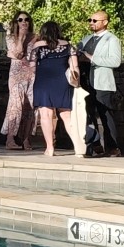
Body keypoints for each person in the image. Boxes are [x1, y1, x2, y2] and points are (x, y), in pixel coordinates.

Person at [29, 20, 79, 157]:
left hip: (43, 82)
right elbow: (75, 67)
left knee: (46, 115)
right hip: (62, 82)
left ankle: (50, 148)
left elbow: (32, 66)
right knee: (67, 115)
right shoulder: (68, 46)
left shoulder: (37, 46)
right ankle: (78, 146)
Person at [81, 9, 123, 157]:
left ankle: (112, 147)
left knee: (105, 115)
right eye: (90, 20)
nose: (91, 23)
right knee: (88, 114)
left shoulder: (112, 39)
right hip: (85, 82)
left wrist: (91, 58)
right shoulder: (86, 39)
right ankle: (94, 145)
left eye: (94, 20)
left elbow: (115, 61)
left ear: (105, 22)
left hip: (102, 83)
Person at [2, 11, 37, 151]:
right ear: (15, 22)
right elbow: (18, 53)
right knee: (15, 105)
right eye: (20, 20)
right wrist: (22, 37)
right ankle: (10, 139)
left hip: (32, 75)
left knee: (30, 107)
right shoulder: (11, 37)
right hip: (16, 76)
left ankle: (26, 138)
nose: (24, 22)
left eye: (26, 19)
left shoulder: (36, 37)